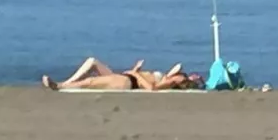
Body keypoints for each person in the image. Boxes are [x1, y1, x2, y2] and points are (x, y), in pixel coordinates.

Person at [42, 57, 194, 92]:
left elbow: (151, 88)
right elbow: (177, 67)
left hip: (127, 81)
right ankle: (66, 82)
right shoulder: (170, 77)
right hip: (125, 77)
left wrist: (135, 72)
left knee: (90, 82)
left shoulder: (175, 80)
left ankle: (60, 86)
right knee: (92, 61)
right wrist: (136, 69)